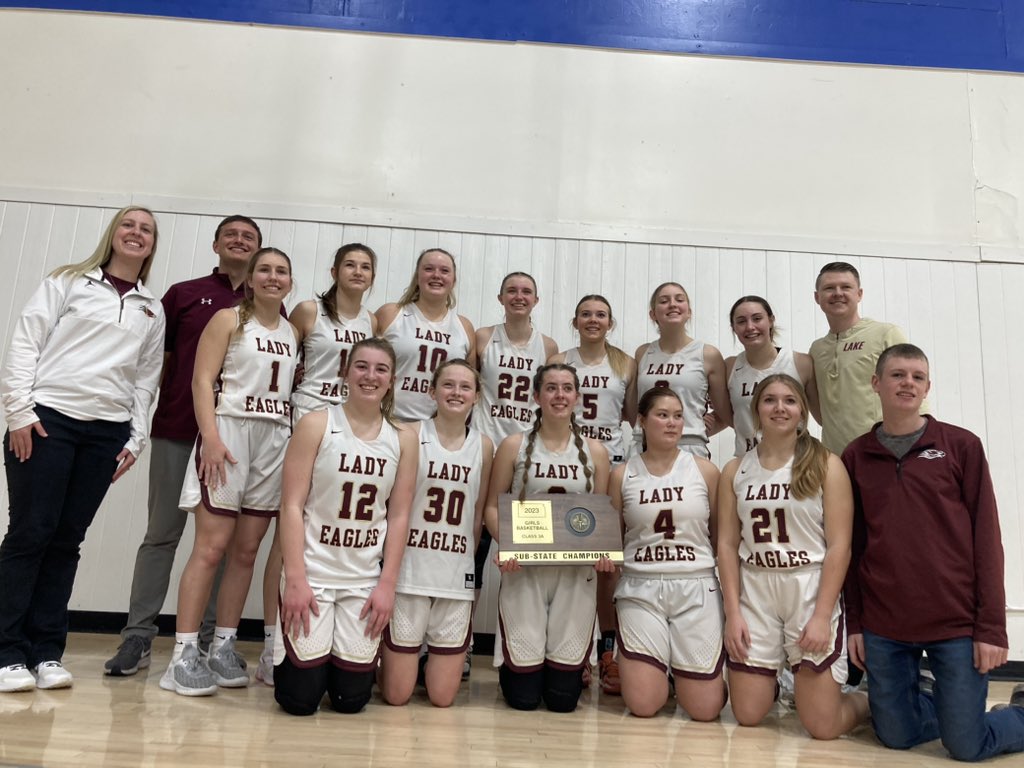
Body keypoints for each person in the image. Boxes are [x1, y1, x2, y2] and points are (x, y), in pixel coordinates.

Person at [0, 206, 165, 693]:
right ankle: (7, 652)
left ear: (153, 245)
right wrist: (19, 414)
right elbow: (24, 344)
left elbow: (146, 380)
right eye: (129, 225)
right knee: (31, 533)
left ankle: (46, 652)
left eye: (147, 230)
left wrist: (135, 438)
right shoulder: (68, 282)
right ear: (113, 234)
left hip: (105, 435)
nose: (136, 233)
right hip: (47, 422)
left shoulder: (150, 309)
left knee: (67, 540)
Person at [843, 344, 1024, 761]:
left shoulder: (961, 446)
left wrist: (992, 628)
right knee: (896, 736)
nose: (908, 383)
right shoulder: (856, 456)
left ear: (927, 387)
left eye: (917, 377)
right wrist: (856, 623)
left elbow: (987, 539)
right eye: (897, 375)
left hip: (955, 622)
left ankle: (1017, 712)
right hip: (886, 624)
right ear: (876, 384)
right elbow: (852, 547)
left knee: (966, 746)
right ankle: (936, 702)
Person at [104, 214, 263, 678]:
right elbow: (160, 360)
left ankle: (210, 642)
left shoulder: (269, 306)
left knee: (220, 544)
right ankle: (137, 636)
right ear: (215, 245)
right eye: (231, 234)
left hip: (234, 442)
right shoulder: (185, 294)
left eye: (248, 237)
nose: (239, 241)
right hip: (179, 428)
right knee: (162, 535)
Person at [161, 247, 299, 697]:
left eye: (281, 271)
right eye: (265, 270)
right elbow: (202, 381)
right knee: (210, 547)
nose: (273, 277)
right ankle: (182, 653)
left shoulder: (293, 330)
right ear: (251, 278)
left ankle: (223, 644)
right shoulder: (227, 318)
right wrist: (212, 438)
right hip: (232, 433)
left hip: (275, 437)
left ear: (290, 282)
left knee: (246, 551)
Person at [717, 374, 868, 739]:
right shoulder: (736, 469)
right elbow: (725, 544)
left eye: (789, 400)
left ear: (802, 411)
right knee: (748, 715)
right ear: (756, 410)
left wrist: (820, 616)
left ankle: (870, 698)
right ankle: (780, 682)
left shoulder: (826, 465)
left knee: (822, 727)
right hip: (756, 586)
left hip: (808, 585)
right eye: (769, 400)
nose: (779, 408)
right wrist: (733, 612)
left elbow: (839, 547)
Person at [255, 242, 378, 686]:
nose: (358, 272)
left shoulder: (373, 320)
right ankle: (274, 643)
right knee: (284, 539)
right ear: (334, 269)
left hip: (347, 430)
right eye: (350, 264)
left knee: (322, 522)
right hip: (306, 425)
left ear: (373, 276)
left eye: (366, 266)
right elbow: (282, 364)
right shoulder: (308, 311)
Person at [275, 338, 417, 716]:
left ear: (392, 380)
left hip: (363, 580)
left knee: (351, 701)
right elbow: (290, 506)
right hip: (315, 573)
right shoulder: (316, 423)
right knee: (299, 700)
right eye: (362, 366)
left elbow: (400, 515)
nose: (370, 376)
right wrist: (295, 579)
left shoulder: (403, 438)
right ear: (346, 372)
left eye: (381, 369)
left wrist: (387, 585)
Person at [484, 363, 611, 713]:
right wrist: (506, 543)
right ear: (536, 395)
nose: (559, 395)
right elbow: (492, 508)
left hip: (574, 573)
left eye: (567, 388)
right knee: (523, 700)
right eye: (551, 388)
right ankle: (515, 670)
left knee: (562, 701)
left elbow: (599, 516)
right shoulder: (514, 445)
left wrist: (602, 551)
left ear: (577, 397)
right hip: (525, 569)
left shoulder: (596, 451)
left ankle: (569, 669)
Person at [379, 360, 493, 707]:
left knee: (443, 697)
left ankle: (422, 658)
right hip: (410, 572)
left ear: (476, 397)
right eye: (448, 385)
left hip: (453, 575)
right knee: (397, 696)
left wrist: (466, 568)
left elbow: (476, 517)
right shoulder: (409, 434)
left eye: (465, 387)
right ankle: (375, 659)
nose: (456, 392)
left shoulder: (484, 446)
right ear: (431, 391)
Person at [610, 387, 725, 719]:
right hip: (640, 587)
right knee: (644, 705)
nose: (672, 423)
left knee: (705, 711)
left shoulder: (704, 471)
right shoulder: (623, 475)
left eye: (678, 416)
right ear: (642, 421)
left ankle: (694, 677)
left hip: (695, 585)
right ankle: (660, 670)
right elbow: (613, 545)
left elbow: (720, 539)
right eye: (663, 415)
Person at [548, 294, 636, 694]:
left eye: (601, 314)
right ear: (575, 319)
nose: (593, 320)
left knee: (607, 560)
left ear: (610, 321)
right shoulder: (560, 358)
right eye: (586, 314)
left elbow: (634, 414)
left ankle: (607, 647)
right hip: (570, 462)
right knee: (575, 555)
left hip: (612, 463)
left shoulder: (625, 364)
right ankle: (575, 651)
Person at [469, 272, 556, 679]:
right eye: (512, 291)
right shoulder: (484, 337)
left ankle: (535, 648)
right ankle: (462, 643)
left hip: (528, 458)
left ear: (536, 299)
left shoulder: (549, 347)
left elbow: (556, 398)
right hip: (487, 452)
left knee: (528, 555)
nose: (519, 297)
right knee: (473, 549)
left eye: (527, 291)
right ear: (500, 296)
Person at [809, 261, 908, 455]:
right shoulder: (817, 350)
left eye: (846, 287)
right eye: (829, 288)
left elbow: (915, 393)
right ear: (817, 297)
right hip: (836, 460)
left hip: (883, 455)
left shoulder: (885, 334)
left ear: (859, 294)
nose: (838, 293)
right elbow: (822, 414)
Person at [629, 282, 731, 460]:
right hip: (644, 444)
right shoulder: (642, 352)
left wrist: (701, 425)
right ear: (653, 314)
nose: (672, 304)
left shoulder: (707, 354)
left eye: (679, 299)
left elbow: (726, 412)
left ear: (689, 311)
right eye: (664, 301)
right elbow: (635, 406)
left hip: (689, 445)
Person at [377, 248, 475, 422]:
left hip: (438, 428)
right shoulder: (391, 314)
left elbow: (471, 384)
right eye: (429, 269)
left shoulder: (464, 327)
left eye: (444, 271)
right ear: (417, 276)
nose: (436, 275)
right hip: (390, 420)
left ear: (453, 280)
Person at [726, 295, 818, 457]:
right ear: (733, 327)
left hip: (796, 460)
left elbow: (823, 416)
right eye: (741, 321)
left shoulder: (801, 363)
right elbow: (730, 415)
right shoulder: (729, 366)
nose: (750, 327)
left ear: (771, 320)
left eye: (757, 318)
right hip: (748, 461)